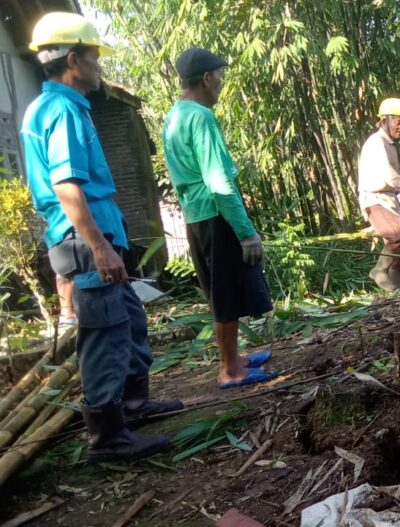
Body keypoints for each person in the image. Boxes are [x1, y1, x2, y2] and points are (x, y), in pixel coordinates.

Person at [21, 12, 179, 462]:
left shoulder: (53, 107)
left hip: (95, 237)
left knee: (128, 320)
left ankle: (133, 407)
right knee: (105, 333)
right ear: (73, 59)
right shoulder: (63, 110)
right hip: (85, 241)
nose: (98, 66)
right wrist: (99, 245)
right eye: (93, 58)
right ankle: (107, 437)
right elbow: (67, 186)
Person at [162, 48, 275, 389]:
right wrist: (246, 232)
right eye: (220, 76)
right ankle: (230, 370)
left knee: (219, 290)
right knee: (226, 293)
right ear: (207, 78)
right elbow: (219, 181)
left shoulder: (174, 116)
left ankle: (234, 357)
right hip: (214, 213)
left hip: (196, 216)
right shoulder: (200, 116)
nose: (222, 83)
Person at [358, 98, 400, 291]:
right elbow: (386, 172)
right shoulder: (376, 143)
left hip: (389, 200)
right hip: (375, 200)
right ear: (384, 120)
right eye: (397, 122)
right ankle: (379, 270)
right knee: (399, 234)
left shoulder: (390, 144)